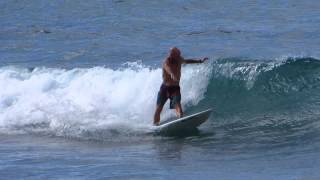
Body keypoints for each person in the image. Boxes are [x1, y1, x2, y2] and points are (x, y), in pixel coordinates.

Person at [153, 47, 208, 125]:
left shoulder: (179, 59)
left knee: (179, 108)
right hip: (165, 88)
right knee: (158, 108)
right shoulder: (166, 62)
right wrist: (172, 74)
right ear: (172, 55)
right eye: (177, 54)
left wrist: (199, 61)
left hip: (175, 88)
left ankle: (181, 122)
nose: (179, 56)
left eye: (179, 54)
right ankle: (155, 125)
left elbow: (187, 61)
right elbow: (168, 68)